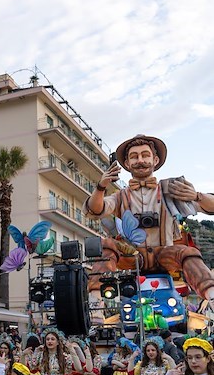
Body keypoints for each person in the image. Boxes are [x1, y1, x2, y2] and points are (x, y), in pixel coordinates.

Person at [84, 134, 214, 324]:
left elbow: (210, 207)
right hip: (134, 257)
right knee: (108, 245)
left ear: (155, 160)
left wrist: (196, 196)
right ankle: (96, 305)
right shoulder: (120, 196)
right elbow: (94, 210)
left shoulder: (171, 190)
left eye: (145, 155)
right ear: (127, 163)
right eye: (134, 156)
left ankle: (211, 297)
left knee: (189, 252)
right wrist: (101, 186)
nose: (140, 160)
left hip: (166, 255)